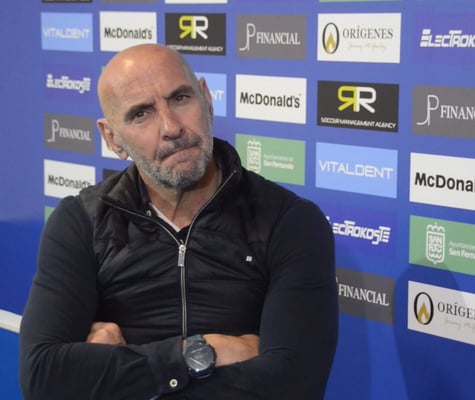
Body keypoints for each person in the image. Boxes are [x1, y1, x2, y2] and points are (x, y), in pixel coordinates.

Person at [18, 43, 338, 400]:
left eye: (181, 98)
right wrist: (197, 353)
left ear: (206, 99)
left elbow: (294, 384)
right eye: (141, 114)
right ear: (112, 139)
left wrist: (114, 376)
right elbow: (42, 376)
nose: (171, 127)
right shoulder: (81, 221)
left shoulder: (289, 221)